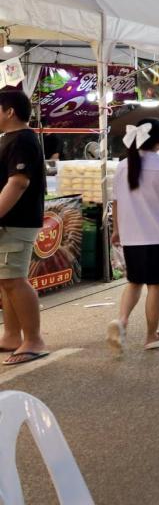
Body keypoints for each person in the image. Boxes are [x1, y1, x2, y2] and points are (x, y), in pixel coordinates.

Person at [108, 118, 159, 353]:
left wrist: (116, 230)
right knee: (155, 286)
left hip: (131, 235)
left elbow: (116, 202)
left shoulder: (122, 166)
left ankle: (122, 320)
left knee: (134, 281)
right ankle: (151, 336)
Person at [0, 91, 48, 365]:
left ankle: (34, 340)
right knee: (6, 280)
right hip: (8, 221)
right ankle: (11, 336)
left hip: (16, 221)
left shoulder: (23, 139)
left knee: (15, 280)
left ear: (9, 111)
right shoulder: (9, 139)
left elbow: (18, 182)